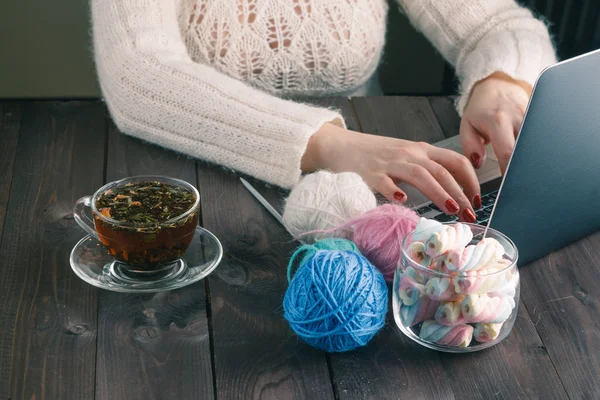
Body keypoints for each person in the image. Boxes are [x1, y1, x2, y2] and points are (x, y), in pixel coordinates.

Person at [91, 0, 556, 222]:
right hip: (193, 188)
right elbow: (138, 72)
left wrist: (502, 81)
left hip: (368, 185)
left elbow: (498, 24)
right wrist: (327, 142)